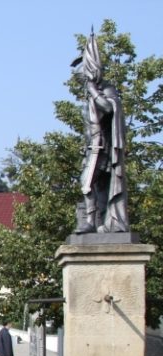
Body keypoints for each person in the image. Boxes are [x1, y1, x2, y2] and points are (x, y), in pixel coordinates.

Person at [73, 31, 128, 234]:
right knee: (100, 188)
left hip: (99, 147)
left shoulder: (105, 90)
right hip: (91, 148)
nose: (78, 76)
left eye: (81, 72)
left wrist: (93, 90)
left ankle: (89, 222)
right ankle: (102, 222)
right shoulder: (89, 97)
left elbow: (108, 108)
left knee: (86, 184)